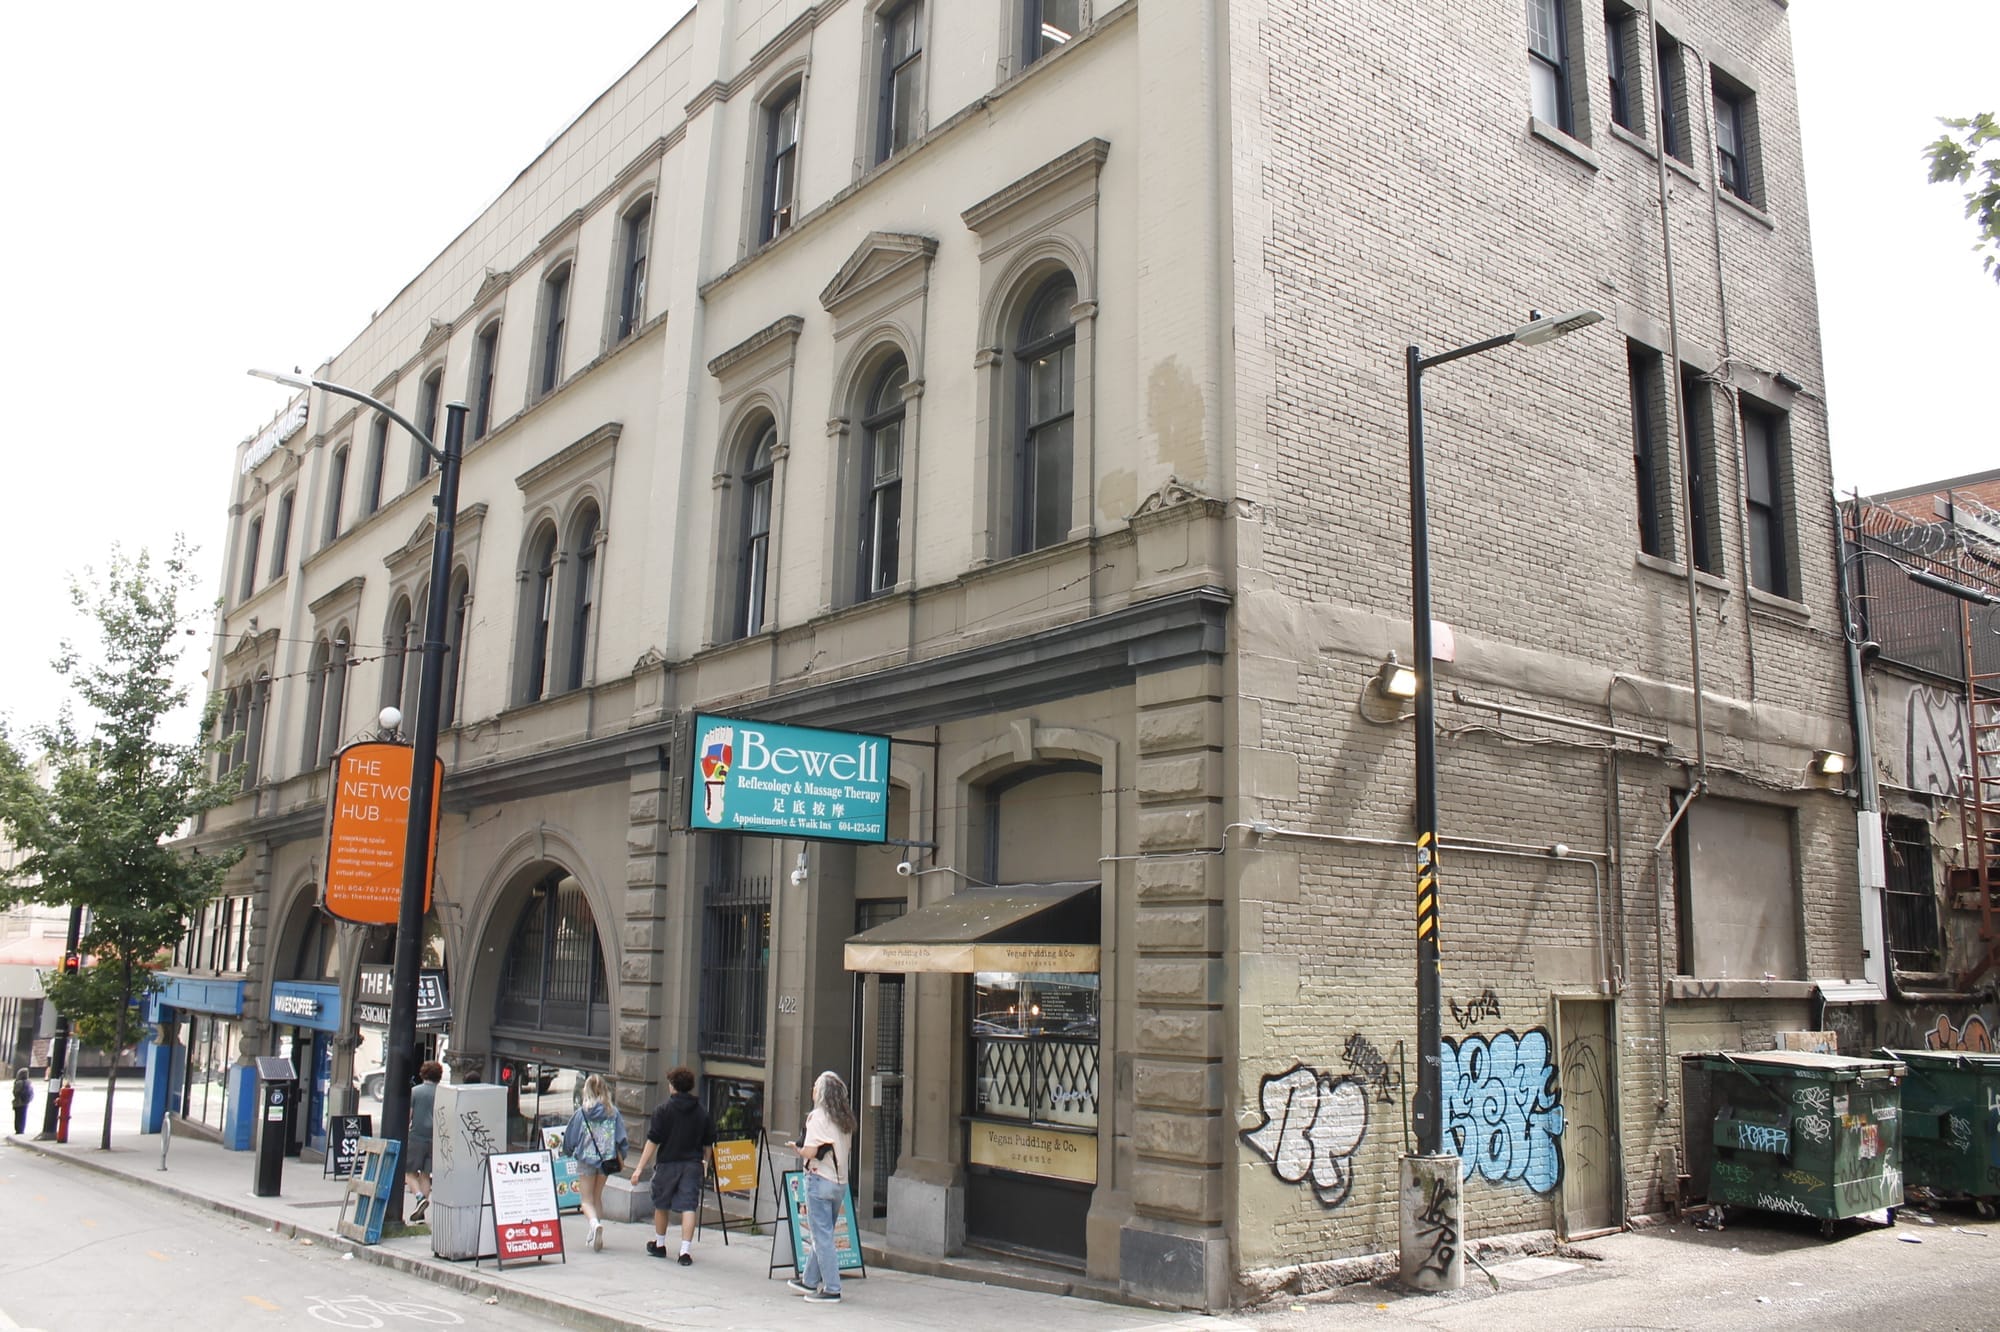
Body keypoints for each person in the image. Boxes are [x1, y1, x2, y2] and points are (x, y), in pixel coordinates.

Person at [785, 1070, 856, 1304]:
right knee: (823, 1232)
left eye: (816, 1086)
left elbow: (811, 1152)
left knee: (821, 1235)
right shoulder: (844, 1119)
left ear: (822, 1092)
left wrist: (797, 1148)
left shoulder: (817, 1116)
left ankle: (832, 1288)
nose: (813, 1089)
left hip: (819, 1179)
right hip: (840, 1183)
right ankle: (809, 1279)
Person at [632, 1065, 715, 1265]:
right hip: (692, 1164)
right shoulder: (701, 1112)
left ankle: (660, 1244)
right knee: (689, 1207)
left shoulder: (663, 1110)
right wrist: (706, 1163)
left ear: (673, 1086)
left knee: (661, 1203)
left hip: (667, 1163)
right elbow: (708, 1143)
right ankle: (685, 1252)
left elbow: (653, 1141)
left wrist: (639, 1168)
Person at [560, 1073, 628, 1252]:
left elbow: (570, 1137)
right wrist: (623, 1156)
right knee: (597, 1196)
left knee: (585, 1200)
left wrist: (567, 1151)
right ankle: (596, 1233)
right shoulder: (613, 1113)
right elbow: (621, 1138)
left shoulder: (582, 1113)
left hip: (586, 1160)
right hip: (606, 1161)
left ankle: (594, 1225)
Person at [406, 1061, 444, 1220]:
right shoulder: (443, 1093)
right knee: (426, 1175)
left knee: (409, 1172)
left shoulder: (415, 1092)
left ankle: (420, 1198)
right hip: (435, 1138)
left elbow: (409, 1114)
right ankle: (420, 1213)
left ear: (423, 1073)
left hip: (417, 1136)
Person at [11, 1069, 31, 1135]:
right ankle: (22, 1129)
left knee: (18, 1117)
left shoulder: (18, 1083)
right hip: (25, 1103)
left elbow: (15, 1092)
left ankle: (18, 1130)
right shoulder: (28, 1082)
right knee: (23, 1117)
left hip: (18, 1103)